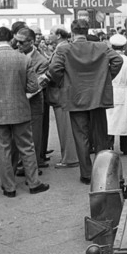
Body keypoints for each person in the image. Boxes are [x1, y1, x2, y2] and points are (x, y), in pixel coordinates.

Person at [45, 19, 123, 185]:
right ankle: (102, 172)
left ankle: (86, 174)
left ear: (72, 32)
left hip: (75, 97)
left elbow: (54, 69)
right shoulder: (101, 46)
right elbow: (118, 60)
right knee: (100, 135)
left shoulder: (65, 49)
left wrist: (63, 83)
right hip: (98, 96)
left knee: (80, 136)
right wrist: (105, 79)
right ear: (87, 31)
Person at [0, 27, 49, 197]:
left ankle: (9, 187)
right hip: (21, 110)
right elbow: (33, 86)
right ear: (11, 39)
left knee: (3, 150)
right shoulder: (23, 59)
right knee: (26, 147)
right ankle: (33, 183)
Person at [14, 27, 49, 170]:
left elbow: (37, 86)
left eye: (21, 42)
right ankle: (19, 163)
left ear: (31, 42)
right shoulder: (14, 55)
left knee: (34, 137)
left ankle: (31, 168)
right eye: (16, 41)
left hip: (33, 104)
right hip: (16, 104)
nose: (18, 45)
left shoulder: (41, 61)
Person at [46, 27, 79, 169]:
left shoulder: (61, 48)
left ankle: (70, 158)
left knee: (65, 127)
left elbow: (54, 69)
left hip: (61, 93)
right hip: (68, 91)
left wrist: (57, 80)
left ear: (59, 35)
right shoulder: (68, 46)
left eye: (51, 33)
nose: (49, 35)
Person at [107, 34, 127, 155]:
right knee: (124, 121)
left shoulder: (108, 59)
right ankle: (125, 147)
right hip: (126, 90)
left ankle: (109, 145)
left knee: (110, 120)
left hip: (111, 89)